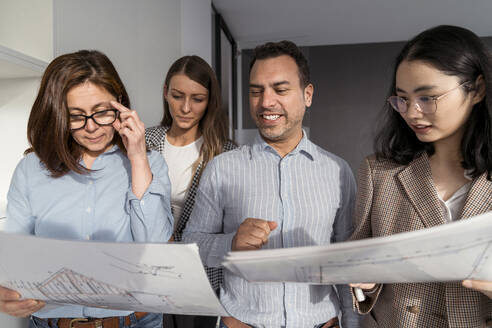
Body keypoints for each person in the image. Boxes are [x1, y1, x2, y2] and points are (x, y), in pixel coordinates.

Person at [183, 41, 360, 328]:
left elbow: (348, 260)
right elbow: (191, 245)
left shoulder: (338, 171)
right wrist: (231, 244)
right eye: (256, 91)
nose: (266, 102)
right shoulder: (222, 169)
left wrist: (351, 323)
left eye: (280, 89)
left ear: (308, 94)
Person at [0, 50, 173, 328]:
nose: (91, 127)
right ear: (57, 114)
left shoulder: (150, 163)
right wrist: (7, 291)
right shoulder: (31, 169)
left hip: (135, 322)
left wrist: (138, 158)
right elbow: (13, 259)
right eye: (76, 116)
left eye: (101, 112)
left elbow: (158, 252)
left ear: (120, 104)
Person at [349, 25, 492, 327]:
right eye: (402, 99)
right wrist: (366, 282)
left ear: (477, 89)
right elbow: (362, 266)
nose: (412, 113)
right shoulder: (379, 174)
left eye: (428, 97)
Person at [145, 55, 236, 327]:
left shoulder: (225, 154)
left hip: (201, 279)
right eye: (177, 96)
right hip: (148, 274)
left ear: (210, 102)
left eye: (197, 99)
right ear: (165, 93)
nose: (185, 108)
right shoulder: (144, 142)